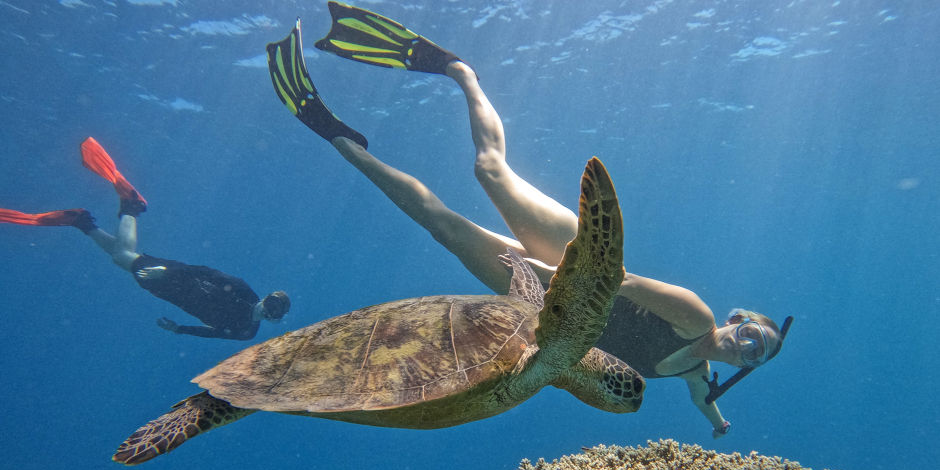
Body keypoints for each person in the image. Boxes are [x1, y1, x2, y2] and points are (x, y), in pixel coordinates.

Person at [265, 2, 792, 436]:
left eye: (759, 356)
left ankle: (332, 132)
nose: (748, 349)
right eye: (753, 335)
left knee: (442, 226)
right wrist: (543, 273)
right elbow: (622, 280)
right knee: (489, 171)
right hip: (578, 262)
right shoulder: (697, 317)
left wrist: (719, 422)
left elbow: (703, 403)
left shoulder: (698, 375)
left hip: (549, 302)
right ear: (738, 319)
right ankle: (458, 70)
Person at [0, 137, 290, 340]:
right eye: (271, 300)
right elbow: (205, 272)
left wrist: (179, 329)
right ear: (266, 296)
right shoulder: (244, 291)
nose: (268, 307)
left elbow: (212, 333)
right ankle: (131, 207)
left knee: (120, 257)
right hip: (174, 278)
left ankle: (83, 223)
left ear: (276, 318)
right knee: (123, 258)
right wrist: (169, 270)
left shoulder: (245, 333)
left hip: (172, 295)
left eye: (274, 308)